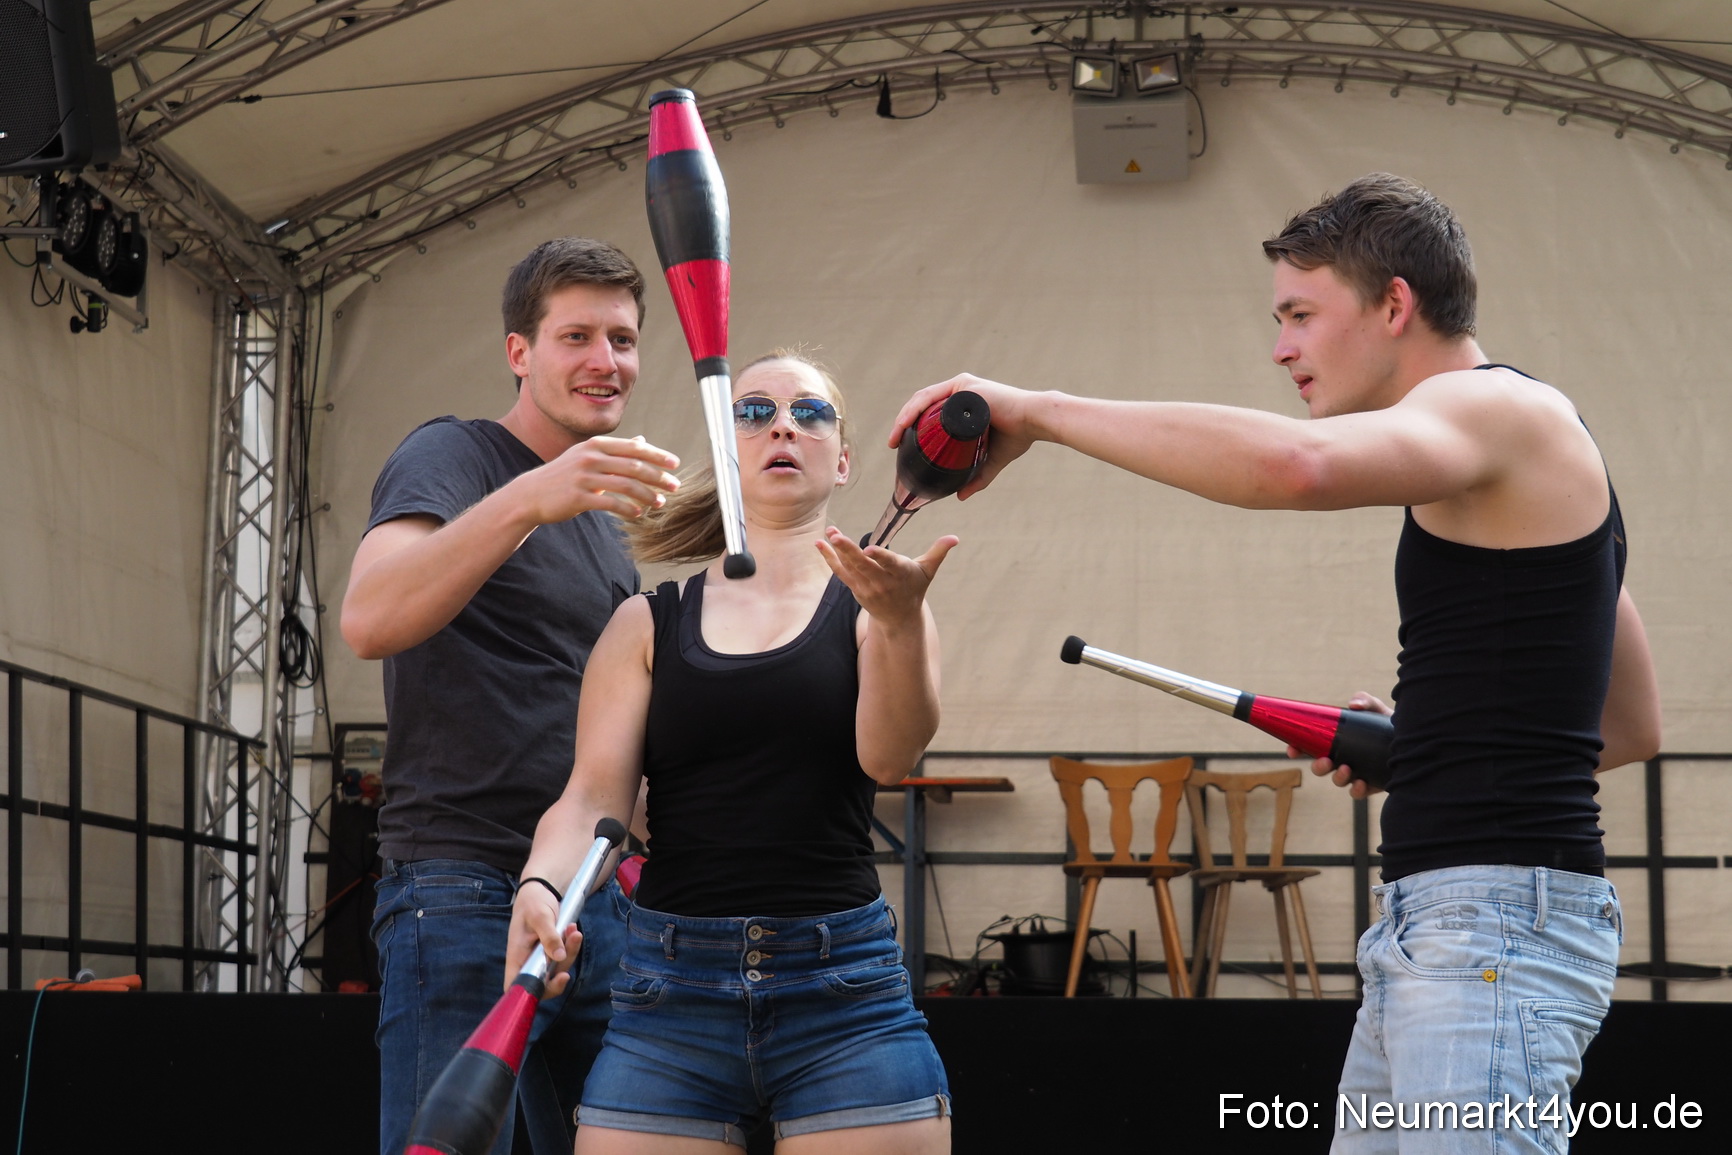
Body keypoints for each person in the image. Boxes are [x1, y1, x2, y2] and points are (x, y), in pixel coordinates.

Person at [891, 173, 1661, 1154]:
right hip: (1454, 925)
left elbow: (1293, 467)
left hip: (1490, 931)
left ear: (1393, 304)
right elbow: (1629, 726)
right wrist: (1428, 748)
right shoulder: (1532, 449)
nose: (1281, 347)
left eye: (1300, 314)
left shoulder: (1504, 413)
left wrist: (1032, 411)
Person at [507, 351, 956, 1155]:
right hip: (669, 995)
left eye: (810, 412)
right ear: (727, 448)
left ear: (845, 459)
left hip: (843, 993)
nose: (783, 423)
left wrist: (897, 622)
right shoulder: (647, 622)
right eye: (753, 411)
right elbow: (590, 802)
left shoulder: (879, 606)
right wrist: (543, 882)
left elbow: (889, 756)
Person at [341, 237, 681, 1155]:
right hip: (458, 884)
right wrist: (532, 496)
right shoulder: (455, 454)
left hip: (591, 897)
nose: (605, 361)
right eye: (577, 335)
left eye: (622, 338)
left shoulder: (607, 537)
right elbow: (370, 616)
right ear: (518, 352)